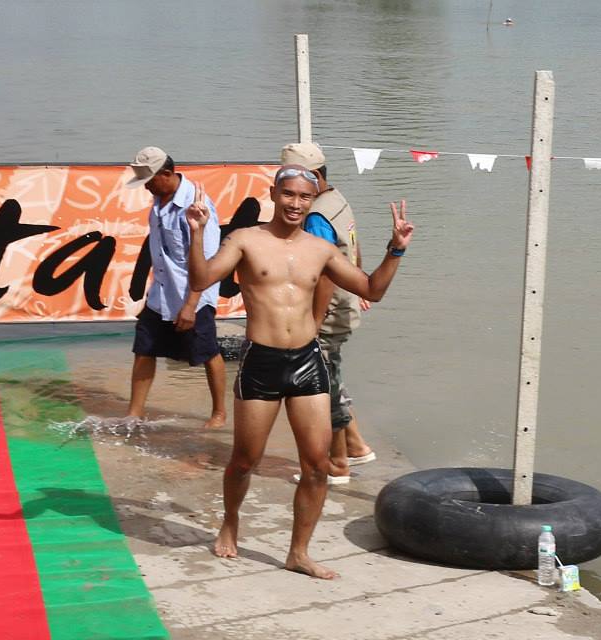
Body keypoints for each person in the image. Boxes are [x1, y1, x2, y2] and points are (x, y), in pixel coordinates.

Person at [186, 165, 413, 579]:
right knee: (244, 461)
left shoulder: (321, 249)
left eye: (304, 197)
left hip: (308, 361)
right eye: (288, 194)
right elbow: (201, 279)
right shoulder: (245, 240)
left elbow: (372, 290)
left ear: (313, 199)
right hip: (261, 362)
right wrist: (198, 233)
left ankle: (299, 553)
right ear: (274, 193)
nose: (295, 203)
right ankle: (230, 522)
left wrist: (395, 249)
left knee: (316, 465)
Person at [280, 142, 375, 484]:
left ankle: (337, 464)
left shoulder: (316, 215)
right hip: (345, 303)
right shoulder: (337, 199)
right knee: (333, 375)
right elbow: (355, 246)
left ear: (315, 176)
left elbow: (321, 274)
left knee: (323, 388)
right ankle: (357, 446)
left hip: (328, 312)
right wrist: (359, 282)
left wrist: (313, 324)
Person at [124, 146, 227, 428]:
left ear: (167, 174)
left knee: (207, 352)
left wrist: (191, 305)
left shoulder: (197, 206)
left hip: (193, 295)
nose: (146, 187)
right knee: (144, 348)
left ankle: (219, 413)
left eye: (149, 180)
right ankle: (134, 413)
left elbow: (207, 262)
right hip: (161, 293)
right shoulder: (158, 201)